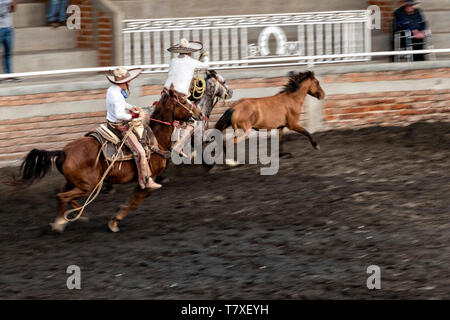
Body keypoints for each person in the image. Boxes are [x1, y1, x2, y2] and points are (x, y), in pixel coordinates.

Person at [105, 66, 162, 190]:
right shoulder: (117, 95)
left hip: (110, 122)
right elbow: (119, 114)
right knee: (140, 151)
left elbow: (121, 105)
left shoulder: (112, 89)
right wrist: (133, 116)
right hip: (119, 126)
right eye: (127, 81)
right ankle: (146, 180)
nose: (129, 82)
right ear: (122, 82)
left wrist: (131, 107)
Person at [163, 38, 209, 152]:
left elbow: (179, 74)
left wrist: (192, 78)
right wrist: (206, 55)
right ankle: (178, 144)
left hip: (166, 93)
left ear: (179, 51)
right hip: (179, 97)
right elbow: (206, 65)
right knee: (196, 118)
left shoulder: (173, 61)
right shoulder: (191, 62)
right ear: (189, 52)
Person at [0, 0, 19, 82]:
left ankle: (9, 76)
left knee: (8, 53)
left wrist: (14, 3)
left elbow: (12, 10)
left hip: (8, 28)